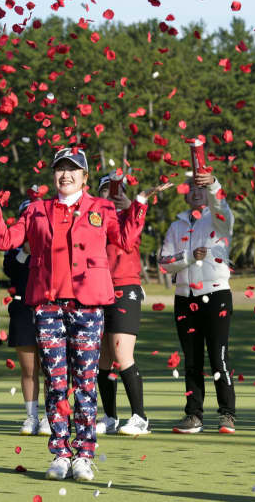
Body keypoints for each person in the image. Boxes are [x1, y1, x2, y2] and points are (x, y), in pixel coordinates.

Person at [0, 147, 171, 482]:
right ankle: (61, 452)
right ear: (53, 175)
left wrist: (140, 204)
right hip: (47, 307)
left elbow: (127, 239)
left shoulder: (102, 207)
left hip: (88, 306)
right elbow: (5, 240)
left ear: (85, 177)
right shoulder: (36, 210)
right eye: (60, 169)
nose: (66, 175)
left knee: (86, 381)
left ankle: (84, 455)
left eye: (73, 170)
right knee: (57, 381)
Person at [159, 169, 237, 434]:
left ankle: (227, 415)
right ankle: (194, 416)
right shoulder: (176, 225)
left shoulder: (219, 218)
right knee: (192, 360)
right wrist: (190, 257)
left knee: (219, 357)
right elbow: (164, 262)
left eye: (200, 187)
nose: (195, 191)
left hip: (216, 295)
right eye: (191, 187)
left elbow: (222, 207)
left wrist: (214, 183)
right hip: (184, 298)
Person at [95, 174, 150, 436]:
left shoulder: (130, 216)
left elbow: (128, 239)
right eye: (105, 191)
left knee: (121, 354)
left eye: (115, 190)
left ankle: (140, 417)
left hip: (124, 288)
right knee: (103, 359)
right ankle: (109, 417)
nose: (110, 195)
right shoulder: (94, 220)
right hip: (97, 290)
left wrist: (133, 205)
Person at [3, 199, 51, 436]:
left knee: (51, 368)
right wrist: (24, 251)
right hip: (23, 310)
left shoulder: (53, 241)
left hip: (49, 309)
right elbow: (10, 271)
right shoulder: (15, 247)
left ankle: (50, 416)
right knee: (28, 368)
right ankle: (31, 416)